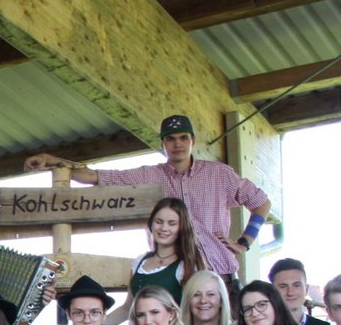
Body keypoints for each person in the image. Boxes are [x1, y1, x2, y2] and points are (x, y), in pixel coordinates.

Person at [25, 114, 272, 281]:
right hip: (171, 277)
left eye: (183, 137)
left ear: (193, 141)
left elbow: (261, 203)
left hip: (218, 273)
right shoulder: (147, 176)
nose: (177, 144)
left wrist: (245, 241)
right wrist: (52, 160)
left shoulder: (219, 174)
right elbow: (94, 176)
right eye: (171, 139)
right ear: (163, 144)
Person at [128, 197, 205, 306]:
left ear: (182, 227)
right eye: (158, 222)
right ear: (151, 223)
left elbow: (195, 309)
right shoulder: (139, 261)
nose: (164, 228)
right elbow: (127, 307)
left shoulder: (187, 265)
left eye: (172, 223)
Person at [268, 258, 331, 325]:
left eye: (296, 285)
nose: (290, 292)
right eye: (283, 286)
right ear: (272, 291)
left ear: (306, 289)